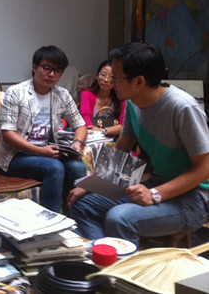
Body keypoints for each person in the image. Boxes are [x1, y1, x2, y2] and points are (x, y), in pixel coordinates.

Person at [68, 42, 209, 247]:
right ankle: (106, 257)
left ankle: (121, 265)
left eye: (116, 78)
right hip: (157, 183)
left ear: (138, 82)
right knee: (83, 204)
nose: (111, 82)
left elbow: (205, 168)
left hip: (194, 197)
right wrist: (92, 184)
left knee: (120, 218)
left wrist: (155, 194)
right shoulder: (134, 103)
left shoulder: (182, 108)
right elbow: (121, 150)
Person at [0, 45, 88, 213]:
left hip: (48, 152)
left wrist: (77, 143)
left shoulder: (62, 94)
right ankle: (50, 220)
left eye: (57, 71)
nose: (51, 74)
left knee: (78, 167)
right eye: (46, 68)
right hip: (15, 156)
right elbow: (8, 134)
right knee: (55, 167)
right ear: (34, 67)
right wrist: (40, 151)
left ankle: (75, 218)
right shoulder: (16, 92)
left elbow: (80, 125)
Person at [80, 60, 126, 138]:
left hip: (114, 138)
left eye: (111, 77)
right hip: (92, 137)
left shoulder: (122, 97)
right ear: (97, 76)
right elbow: (85, 117)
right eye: (103, 75)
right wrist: (94, 132)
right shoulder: (86, 94)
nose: (106, 80)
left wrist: (102, 130)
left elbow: (124, 125)